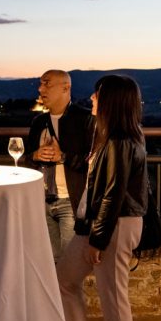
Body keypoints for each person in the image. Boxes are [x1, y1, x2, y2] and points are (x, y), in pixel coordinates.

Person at [57, 74, 147, 321]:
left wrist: (98, 239)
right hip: (97, 224)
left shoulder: (122, 142)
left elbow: (113, 195)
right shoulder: (109, 136)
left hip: (115, 226)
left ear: (111, 101)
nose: (92, 99)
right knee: (65, 280)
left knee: (112, 295)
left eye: (97, 95)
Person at [26, 69, 95, 262]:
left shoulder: (85, 119)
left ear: (66, 88)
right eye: (40, 84)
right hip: (42, 202)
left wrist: (63, 156)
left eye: (46, 83)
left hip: (70, 203)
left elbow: (93, 161)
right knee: (49, 265)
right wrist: (35, 155)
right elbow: (27, 160)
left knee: (70, 266)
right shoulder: (38, 122)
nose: (40, 89)